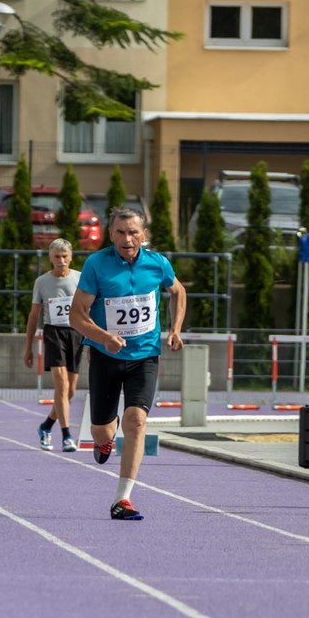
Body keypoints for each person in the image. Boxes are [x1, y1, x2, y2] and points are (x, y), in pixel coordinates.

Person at [67, 207, 185, 520]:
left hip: (145, 356)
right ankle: (104, 443)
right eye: (120, 232)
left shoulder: (157, 264)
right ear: (111, 235)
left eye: (133, 232)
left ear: (143, 235)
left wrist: (175, 330)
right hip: (106, 356)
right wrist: (103, 336)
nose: (127, 239)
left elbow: (178, 291)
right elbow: (76, 315)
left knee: (136, 420)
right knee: (103, 432)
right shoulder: (97, 264)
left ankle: (123, 499)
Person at [23, 238, 83, 452]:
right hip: (53, 332)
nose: (61, 260)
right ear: (50, 258)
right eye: (57, 256)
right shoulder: (42, 282)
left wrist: (95, 340)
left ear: (71, 257)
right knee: (62, 385)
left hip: (76, 333)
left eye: (65, 256)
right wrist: (28, 346)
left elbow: (90, 309)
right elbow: (33, 315)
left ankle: (46, 425)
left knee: (71, 390)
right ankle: (67, 435)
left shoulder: (80, 278)